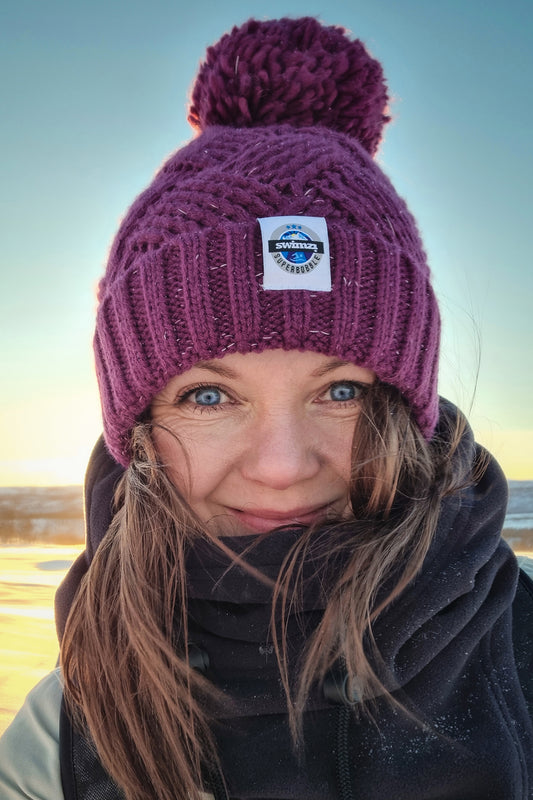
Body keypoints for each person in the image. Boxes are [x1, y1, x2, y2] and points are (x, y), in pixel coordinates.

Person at [1, 15, 532, 800]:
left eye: (340, 391)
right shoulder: (67, 736)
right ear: (139, 429)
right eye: (208, 395)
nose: (283, 466)